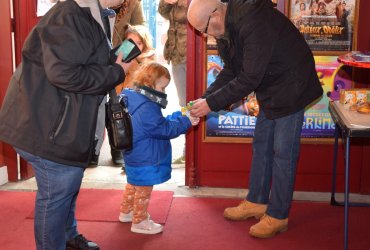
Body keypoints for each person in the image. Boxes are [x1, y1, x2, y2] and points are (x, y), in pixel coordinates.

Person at [0, 0, 131, 249]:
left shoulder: (91, 13)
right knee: (57, 193)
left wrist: (116, 59)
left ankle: (68, 237)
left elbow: (85, 59)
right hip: (47, 127)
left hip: (57, 125)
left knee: (67, 186)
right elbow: (64, 73)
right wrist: (116, 72)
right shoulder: (70, 15)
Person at [187, 0, 323, 239]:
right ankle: (257, 201)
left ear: (216, 12)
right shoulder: (223, 29)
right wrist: (205, 99)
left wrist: (210, 105)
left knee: (283, 153)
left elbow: (248, 78)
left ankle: (278, 215)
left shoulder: (254, 21)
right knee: (261, 145)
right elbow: (231, 71)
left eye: (205, 29)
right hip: (270, 85)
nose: (206, 35)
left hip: (293, 86)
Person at [117, 62, 199, 234]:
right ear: (149, 84)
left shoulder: (133, 97)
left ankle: (126, 212)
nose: (164, 92)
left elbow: (157, 123)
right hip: (146, 156)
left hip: (134, 153)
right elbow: (162, 129)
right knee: (144, 189)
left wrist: (181, 114)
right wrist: (186, 121)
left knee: (133, 183)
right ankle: (139, 221)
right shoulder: (146, 106)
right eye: (162, 87)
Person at [90, 0, 146, 166]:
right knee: (97, 106)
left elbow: (141, 27)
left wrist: (131, 37)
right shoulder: (93, 4)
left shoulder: (134, 3)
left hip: (123, 57)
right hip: (97, 59)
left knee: (119, 103)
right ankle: (93, 149)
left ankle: (119, 146)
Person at [158, 0, 189, 163]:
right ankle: (188, 149)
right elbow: (163, 13)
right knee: (184, 103)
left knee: (195, 102)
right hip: (177, 54)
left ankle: (192, 150)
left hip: (194, 55)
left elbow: (193, 17)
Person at [115, 24, 156, 94]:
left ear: (145, 44)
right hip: (124, 99)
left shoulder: (150, 63)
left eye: (139, 43)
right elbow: (117, 87)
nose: (135, 48)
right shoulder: (121, 60)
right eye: (131, 43)